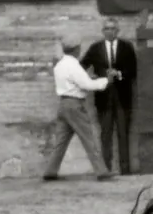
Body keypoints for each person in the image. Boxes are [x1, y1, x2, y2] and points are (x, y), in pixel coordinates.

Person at [42, 32, 115, 181]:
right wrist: (106, 81)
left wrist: (90, 79)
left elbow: (76, 82)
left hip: (63, 104)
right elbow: (87, 85)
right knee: (89, 138)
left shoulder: (60, 64)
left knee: (61, 142)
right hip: (75, 105)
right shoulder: (73, 65)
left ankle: (50, 171)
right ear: (76, 49)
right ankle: (101, 171)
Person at [82, 17, 138, 176]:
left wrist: (119, 74)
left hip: (123, 98)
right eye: (107, 28)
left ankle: (125, 170)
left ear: (117, 31)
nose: (110, 31)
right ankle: (105, 170)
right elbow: (82, 65)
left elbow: (133, 71)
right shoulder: (95, 48)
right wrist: (90, 78)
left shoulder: (126, 47)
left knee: (123, 133)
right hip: (103, 99)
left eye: (113, 28)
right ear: (103, 31)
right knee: (105, 134)